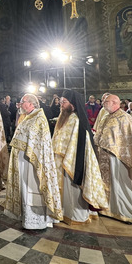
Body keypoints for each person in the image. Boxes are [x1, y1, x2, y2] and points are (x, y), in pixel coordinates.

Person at [93, 95, 132, 225]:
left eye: (106, 101)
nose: (103, 103)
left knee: (121, 184)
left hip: (120, 159)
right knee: (108, 184)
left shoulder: (125, 118)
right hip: (105, 157)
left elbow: (131, 141)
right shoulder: (106, 116)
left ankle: (128, 212)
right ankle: (109, 209)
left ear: (115, 102)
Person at [3, 94, 64, 229]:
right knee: (24, 189)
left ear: (31, 104)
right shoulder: (28, 117)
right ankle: (25, 217)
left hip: (32, 162)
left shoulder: (38, 118)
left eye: (22, 101)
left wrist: (28, 151)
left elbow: (38, 143)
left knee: (32, 188)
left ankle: (37, 220)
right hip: (24, 161)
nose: (20, 104)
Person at [52, 90, 108, 223]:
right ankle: (64, 212)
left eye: (64, 102)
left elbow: (76, 143)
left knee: (72, 190)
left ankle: (75, 216)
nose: (61, 105)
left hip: (72, 161)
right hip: (62, 160)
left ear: (73, 104)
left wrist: (64, 155)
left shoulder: (75, 120)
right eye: (60, 102)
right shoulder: (63, 117)